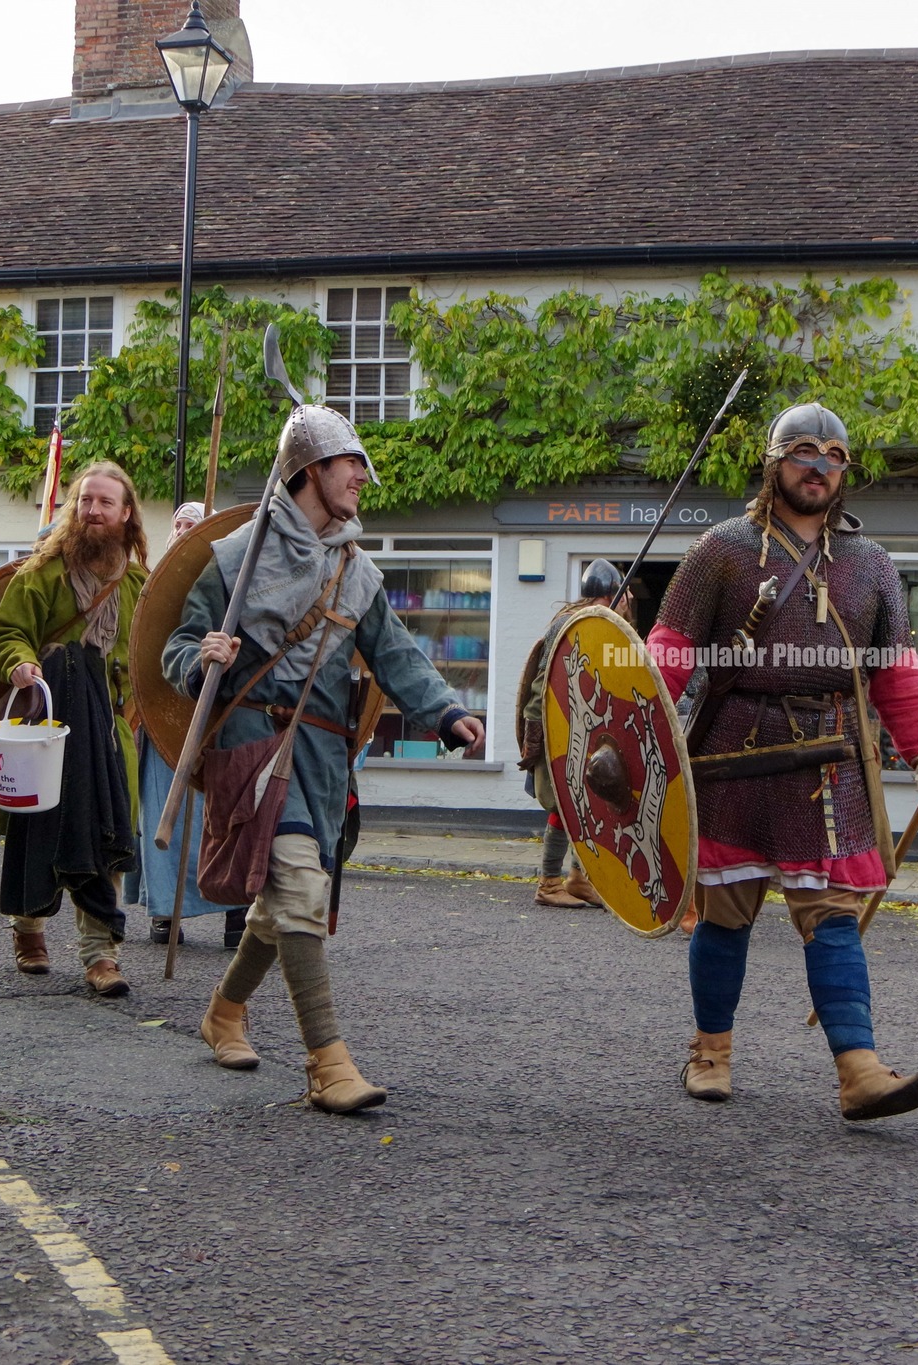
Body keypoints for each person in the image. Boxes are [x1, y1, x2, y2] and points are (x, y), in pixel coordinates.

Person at [165, 405, 483, 1114]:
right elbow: (175, 647)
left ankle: (223, 1012)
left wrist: (446, 710)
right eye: (351, 465)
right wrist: (200, 655)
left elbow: (396, 653)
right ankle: (328, 1063)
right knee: (298, 884)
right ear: (311, 471)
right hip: (250, 741)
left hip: (318, 750)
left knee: (284, 905)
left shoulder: (355, 570)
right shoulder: (235, 558)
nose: (363, 479)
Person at [645, 402, 918, 1122]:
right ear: (773, 461)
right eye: (804, 450)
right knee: (725, 916)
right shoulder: (722, 548)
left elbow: (896, 671)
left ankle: (859, 1069)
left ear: (845, 471)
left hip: (826, 761)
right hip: (732, 754)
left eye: (834, 454)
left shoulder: (871, 565)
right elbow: (671, 650)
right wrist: (639, 730)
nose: (819, 465)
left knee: (834, 916)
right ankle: (710, 1051)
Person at [0, 462, 148, 996]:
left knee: (108, 832)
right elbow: (7, 634)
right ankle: (28, 928)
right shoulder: (41, 574)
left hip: (110, 732)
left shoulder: (140, 585)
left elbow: (154, 653)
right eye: (85, 501)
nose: (93, 511)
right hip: (46, 728)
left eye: (105, 502)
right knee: (36, 828)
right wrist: (19, 662)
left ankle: (101, 953)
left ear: (127, 514)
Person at [137, 500, 247, 950]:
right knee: (168, 810)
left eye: (194, 526)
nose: (183, 530)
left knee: (229, 813)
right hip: (165, 710)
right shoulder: (148, 584)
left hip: (225, 710)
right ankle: (166, 910)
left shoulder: (231, 579)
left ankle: (237, 912)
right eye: (178, 524)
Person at [515, 557, 621, 910]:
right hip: (557, 733)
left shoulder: (602, 625)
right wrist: (534, 738)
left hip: (585, 732)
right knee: (563, 806)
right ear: (610, 594)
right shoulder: (569, 624)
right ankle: (548, 882)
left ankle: (578, 879)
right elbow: (542, 684)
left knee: (586, 805)